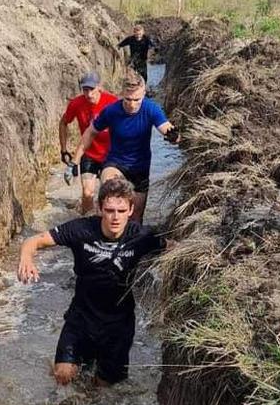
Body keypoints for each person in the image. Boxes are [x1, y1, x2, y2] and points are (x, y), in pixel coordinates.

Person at [17, 175, 166, 387]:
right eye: (110, 210)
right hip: (81, 318)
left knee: (103, 389)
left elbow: (175, 248)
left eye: (121, 211)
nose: (115, 217)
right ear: (99, 209)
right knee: (63, 375)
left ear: (131, 210)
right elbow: (35, 240)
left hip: (118, 325)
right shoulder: (82, 229)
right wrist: (26, 258)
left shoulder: (142, 237)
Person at [72, 71, 180, 224]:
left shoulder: (151, 109)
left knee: (135, 219)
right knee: (111, 193)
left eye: (137, 100)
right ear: (122, 94)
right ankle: (98, 231)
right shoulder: (111, 111)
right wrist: (75, 160)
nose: (132, 104)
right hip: (115, 163)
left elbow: (167, 128)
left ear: (144, 93)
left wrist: (174, 137)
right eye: (128, 99)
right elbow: (90, 132)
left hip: (140, 168)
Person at [59, 71, 118, 214]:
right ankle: (87, 224)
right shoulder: (76, 103)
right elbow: (63, 122)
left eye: (92, 89)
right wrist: (63, 149)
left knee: (109, 193)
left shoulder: (113, 102)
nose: (89, 94)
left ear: (99, 87)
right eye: (85, 90)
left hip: (110, 155)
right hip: (89, 154)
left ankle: (105, 224)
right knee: (87, 193)